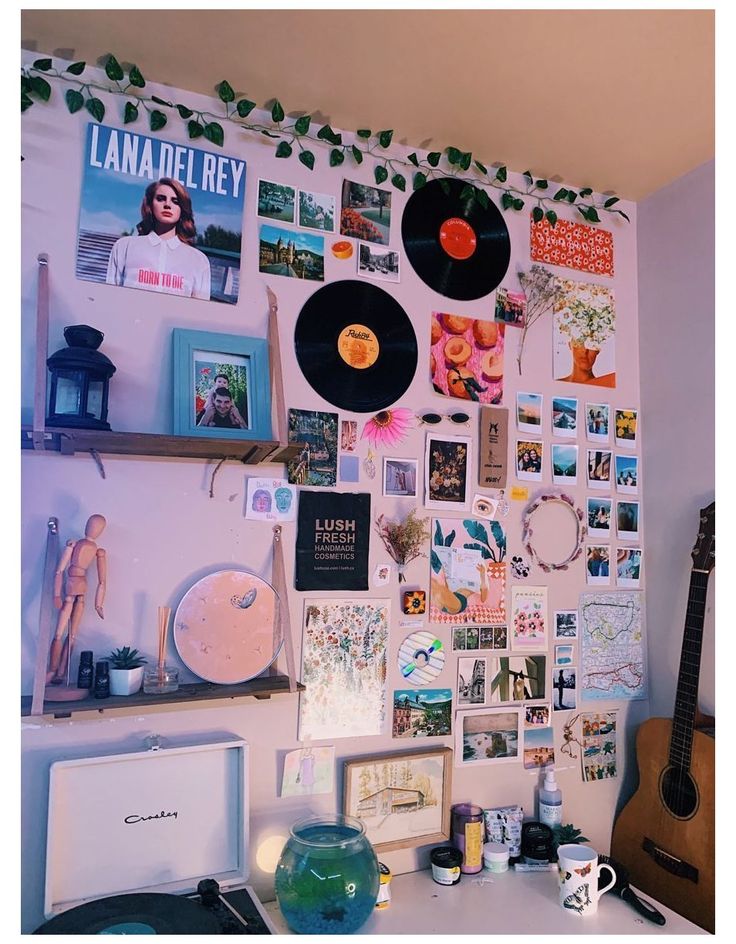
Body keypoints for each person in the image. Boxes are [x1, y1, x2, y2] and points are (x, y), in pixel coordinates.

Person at [106, 177, 211, 300]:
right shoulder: (124, 247)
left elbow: (199, 313)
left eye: (175, 201)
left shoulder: (198, 261)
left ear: (182, 209)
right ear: (150, 205)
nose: (167, 205)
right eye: (161, 199)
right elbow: (109, 298)